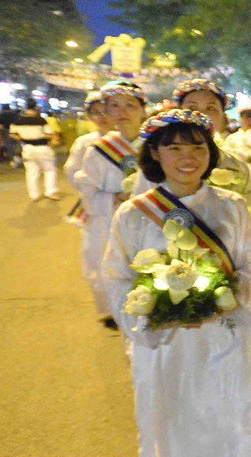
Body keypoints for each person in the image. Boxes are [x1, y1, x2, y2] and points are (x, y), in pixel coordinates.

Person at [101, 109, 251, 457]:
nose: (188, 156)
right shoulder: (133, 214)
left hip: (226, 336)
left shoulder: (230, 206)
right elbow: (118, 279)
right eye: (174, 146)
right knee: (178, 426)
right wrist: (156, 311)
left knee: (236, 425)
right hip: (169, 345)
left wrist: (224, 297)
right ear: (155, 154)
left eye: (198, 146)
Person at [73, 81, 146, 327]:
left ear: (143, 110)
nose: (122, 111)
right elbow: (87, 190)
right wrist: (115, 198)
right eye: (114, 106)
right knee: (111, 267)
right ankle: (114, 310)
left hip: (149, 220)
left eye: (130, 105)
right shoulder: (98, 150)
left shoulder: (156, 145)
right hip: (110, 221)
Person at [9, 98, 60, 201]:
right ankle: (50, 191)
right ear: (36, 108)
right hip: (42, 147)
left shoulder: (18, 121)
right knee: (49, 170)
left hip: (27, 148)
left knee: (31, 172)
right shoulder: (40, 120)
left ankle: (34, 195)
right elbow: (49, 134)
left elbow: (12, 134)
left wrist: (23, 138)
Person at [64, 91, 111, 188]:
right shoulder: (83, 143)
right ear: (90, 116)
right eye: (96, 112)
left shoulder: (129, 139)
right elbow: (72, 171)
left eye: (107, 111)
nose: (102, 116)